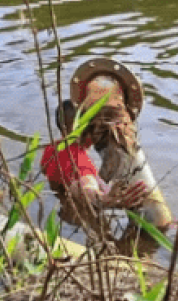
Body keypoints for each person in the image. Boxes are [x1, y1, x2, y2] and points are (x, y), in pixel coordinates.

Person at [41, 99, 149, 239]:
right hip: (82, 216)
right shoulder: (80, 161)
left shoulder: (50, 150)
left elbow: (47, 172)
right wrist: (106, 200)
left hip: (60, 209)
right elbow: (84, 185)